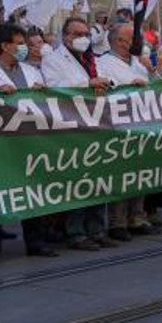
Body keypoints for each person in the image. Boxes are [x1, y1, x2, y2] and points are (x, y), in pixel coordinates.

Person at [0, 22, 54, 264]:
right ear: (5, 46)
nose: (24, 47)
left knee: (33, 190)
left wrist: (43, 92)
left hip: (28, 141)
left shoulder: (31, 71)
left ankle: (35, 241)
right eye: (19, 43)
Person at [41, 17, 116, 252]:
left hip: (97, 123)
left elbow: (106, 80)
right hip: (72, 126)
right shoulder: (52, 60)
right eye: (77, 33)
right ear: (65, 36)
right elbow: (55, 86)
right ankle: (76, 232)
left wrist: (106, 82)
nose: (83, 37)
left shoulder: (92, 58)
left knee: (100, 179)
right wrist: (88, 82)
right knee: (79, 180)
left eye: (85, 33)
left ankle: (97, 229)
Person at [95, 23, 155, 241]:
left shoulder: (138, 63)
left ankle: (137, 217)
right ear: (121, 41)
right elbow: (104, 88)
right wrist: (129, 84)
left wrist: (150, 69)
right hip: (117, 128)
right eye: (133, 39)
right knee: (120, 175)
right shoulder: (102, 63)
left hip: (142, 126)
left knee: (140, 173)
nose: (138, 43)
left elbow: (160, 87)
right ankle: (117, 222)